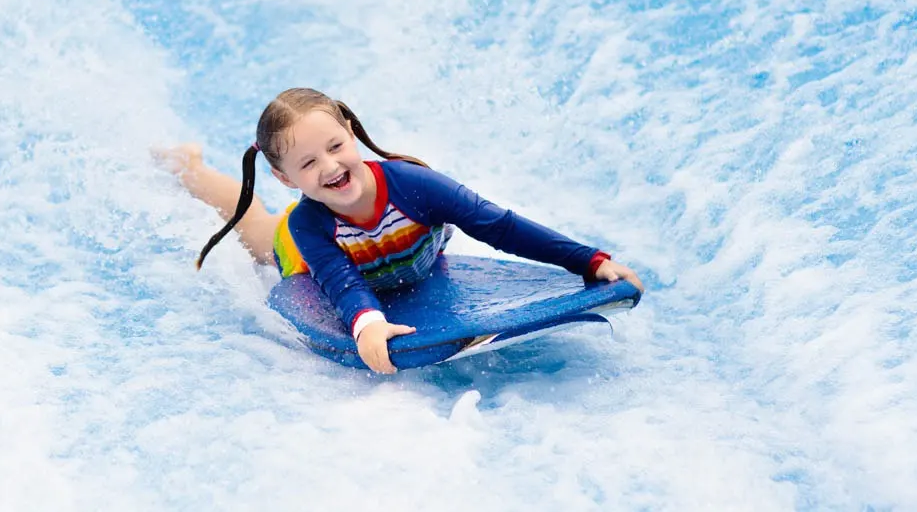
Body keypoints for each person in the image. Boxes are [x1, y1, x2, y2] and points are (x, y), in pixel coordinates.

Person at [156, 88, 643, 374]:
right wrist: (368, 323)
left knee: (262, 224)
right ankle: (189, 169)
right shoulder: (309, 225)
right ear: (286, 178)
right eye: (308, 163)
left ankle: (192, 166)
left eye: (335, 145)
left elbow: (501, 227)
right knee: (259, 233)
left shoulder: (416, 187)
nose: (329, 166)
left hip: (409, 267)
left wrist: (589, 260)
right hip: (308, 260)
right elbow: (340, 283)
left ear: (349, 129)